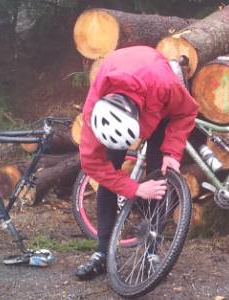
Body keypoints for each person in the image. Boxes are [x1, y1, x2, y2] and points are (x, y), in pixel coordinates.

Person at [74, 46, 198, 281]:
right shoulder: (95, 114)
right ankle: (102, 252)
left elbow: (187, 112)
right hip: (122, 92)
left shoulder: (164, 85)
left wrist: (171, 152)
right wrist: (135, 189)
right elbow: (93, 164)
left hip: (156, 104)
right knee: (108, 175)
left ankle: (151, 251)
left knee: (158, 177)